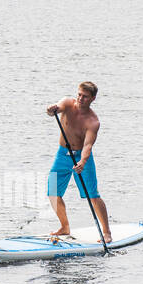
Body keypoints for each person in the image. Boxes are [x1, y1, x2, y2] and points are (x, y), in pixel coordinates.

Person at [45, 81, 111, 242]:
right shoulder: (68, 104)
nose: (81, 99)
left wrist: (82, 161)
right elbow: (57, 107)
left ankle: (107, 232)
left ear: (93, 99)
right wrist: (52, 110)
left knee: (93, 196)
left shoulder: (93, 122)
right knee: (52, 192)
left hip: (82, 157)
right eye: (79, 95)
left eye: (85, 97)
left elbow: (88, 145)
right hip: (62, 155)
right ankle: (64, 227)